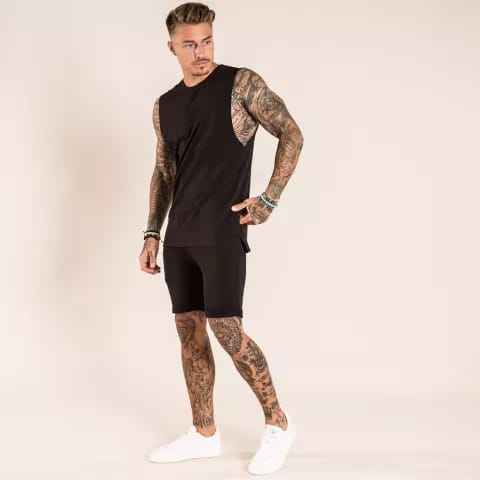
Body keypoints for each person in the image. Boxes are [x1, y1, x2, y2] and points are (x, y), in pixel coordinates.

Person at [138, 2, 304, 475]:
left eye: (207, 41)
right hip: (180, 237)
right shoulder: (165, 106)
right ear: (172, 47)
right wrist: (152, 231)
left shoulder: (241, 85)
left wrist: (268, 198)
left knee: (227, 331)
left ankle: (278, 424)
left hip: (222, 233)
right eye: (190, 44)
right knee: (189, 332)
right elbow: (164, 171)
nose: (202, 52)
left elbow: (291, 133)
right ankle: (203, 432)